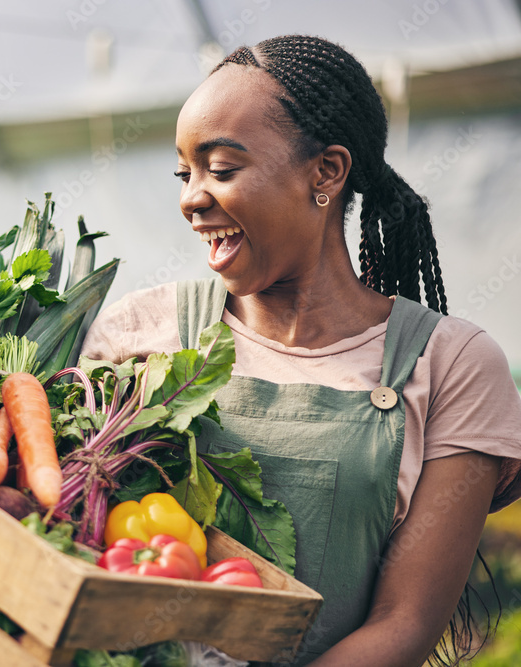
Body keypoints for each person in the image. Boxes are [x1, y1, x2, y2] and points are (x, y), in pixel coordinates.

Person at [81, 35, 521, 666]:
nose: (191, 198)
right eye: (185, 173)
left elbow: (405, 623)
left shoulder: (450, 365)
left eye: (222, 169)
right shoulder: (139, 332)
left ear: (327, 172)